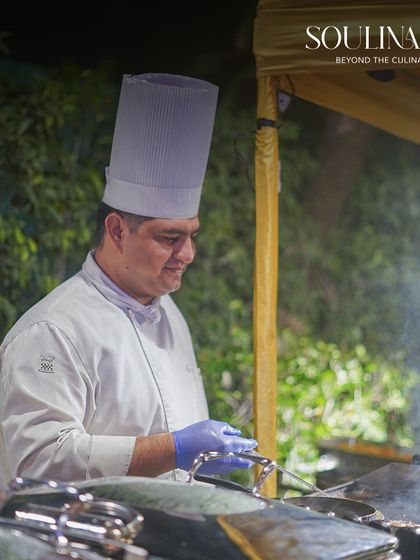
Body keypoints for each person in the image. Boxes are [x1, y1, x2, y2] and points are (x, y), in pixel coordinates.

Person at [0, 73, 257, 484]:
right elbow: (38, 461)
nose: (187, 254)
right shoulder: (52, 331)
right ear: (117, 230)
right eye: (170, 237)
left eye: (192, 236)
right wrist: (173, 449)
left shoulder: (169, 313)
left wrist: (196, 460)